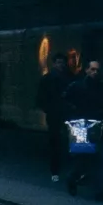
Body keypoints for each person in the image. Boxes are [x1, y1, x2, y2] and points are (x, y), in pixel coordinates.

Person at [63, 60, 103, 203]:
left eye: (97, 70)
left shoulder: (101, 87)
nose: (95, 72)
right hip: (81, 124)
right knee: (82, 158)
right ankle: (73, 178)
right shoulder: (77, 86)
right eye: (92, 69)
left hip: (95, 124)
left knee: (99, 159)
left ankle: (99, 191)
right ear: (87, 70)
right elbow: (65, 100)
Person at [36, 53, 72, 182]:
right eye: (59, 63)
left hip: (57, 113)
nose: (61, 65)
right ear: (55, 63)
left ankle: (56, 170)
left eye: (62, 63)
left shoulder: (49, 78)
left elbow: (40, 98)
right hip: (59, 113)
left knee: (57, 142)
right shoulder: (66, 78)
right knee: (59, 142)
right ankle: (58, 169)